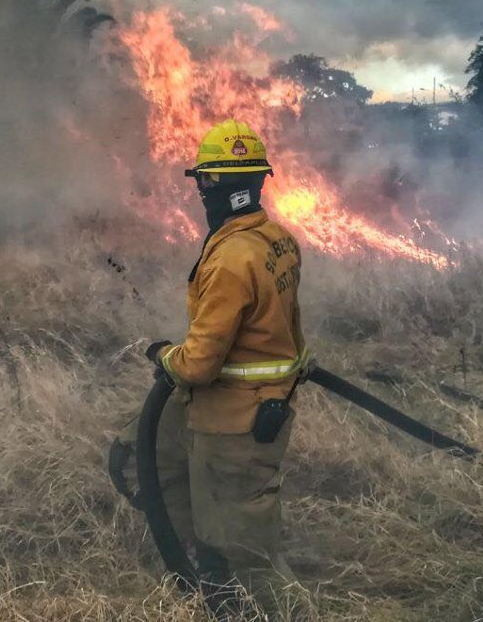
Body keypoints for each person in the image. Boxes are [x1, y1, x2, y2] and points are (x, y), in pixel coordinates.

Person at [111, 120, 311, 618]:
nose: (200, 193)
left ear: (218, 187)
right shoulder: (277, 239)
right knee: (146, 454)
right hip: (224, 406)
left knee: (247, 540)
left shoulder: (231, 258)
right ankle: (201, 567)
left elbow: (199, 364)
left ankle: (268, 607)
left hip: (234, 420)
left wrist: (163, 356)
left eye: (204, 182)